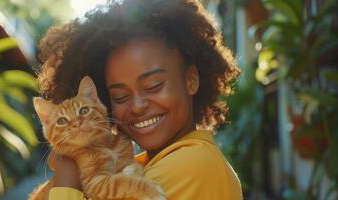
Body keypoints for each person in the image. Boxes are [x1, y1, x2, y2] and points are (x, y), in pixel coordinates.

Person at [37, 0, 242, 199]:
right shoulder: (141, 163)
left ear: (191, 80)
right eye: (120, 97)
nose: (137, 106)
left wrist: (67, 179)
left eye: (154, 86)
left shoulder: (191, 165)